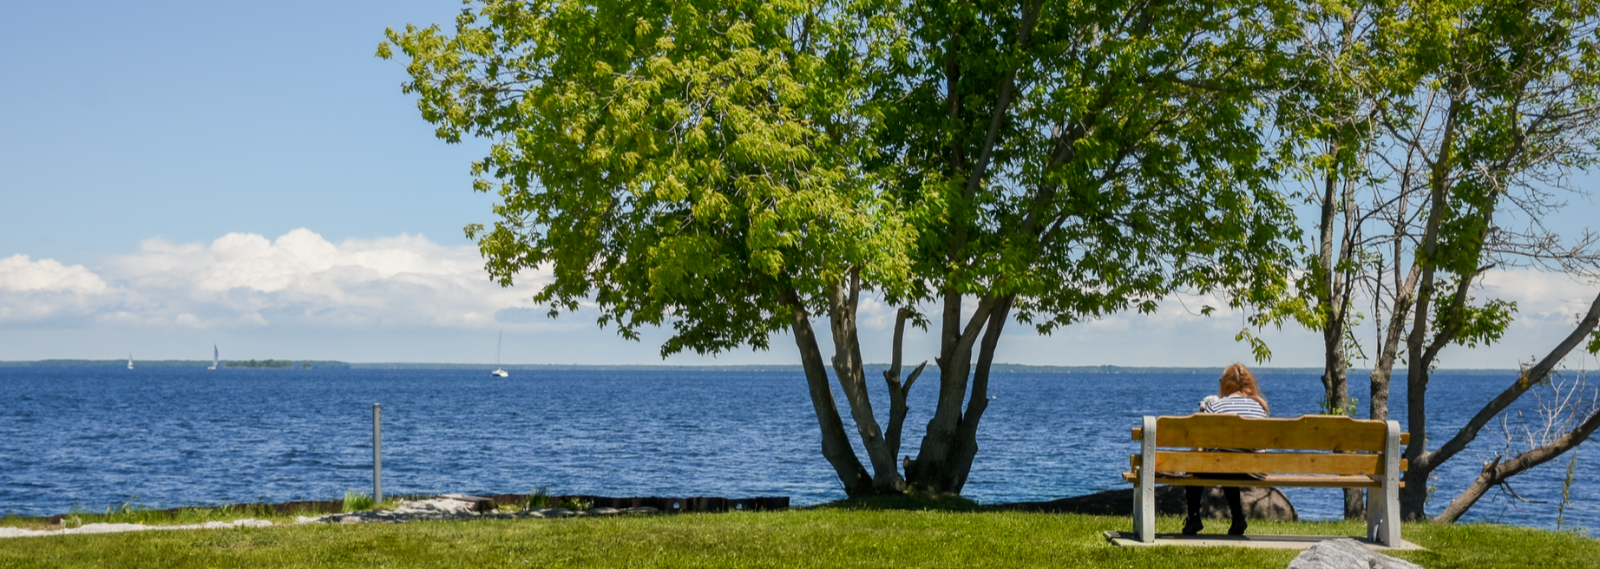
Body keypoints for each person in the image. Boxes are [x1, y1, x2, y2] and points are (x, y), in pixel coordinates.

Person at [1183, 363, 1270, 536]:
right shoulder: (1261, 408)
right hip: (1255, 470)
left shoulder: (1216, 407)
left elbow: (1202, 443)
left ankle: (1193, 518)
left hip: (1225, 467)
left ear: (1226, 384)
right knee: (1231, 463)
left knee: (1198, 465)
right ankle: (1237, 517)